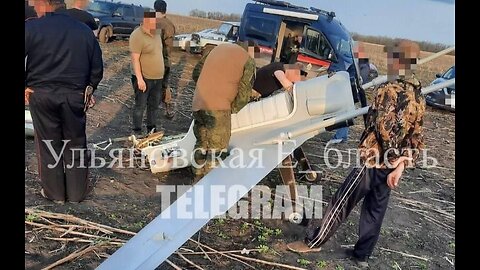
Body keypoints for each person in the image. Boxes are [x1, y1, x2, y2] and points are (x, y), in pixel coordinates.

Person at [287, 40, 425, 269]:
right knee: (375, 209)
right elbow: (417, 135)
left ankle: (314, 242)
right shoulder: (418, 94)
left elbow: (384, 127)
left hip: (373, 162)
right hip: (392, 166)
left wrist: (390, 158)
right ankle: (362, 255)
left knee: (341, 201)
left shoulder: (390, 89)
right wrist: (401, 164)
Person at [25, 0, 103, 203]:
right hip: (74, 96)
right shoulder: (84, 31)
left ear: (44, 3)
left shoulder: (32, 27)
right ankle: (76, 195)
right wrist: (89, 88)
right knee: (75, 144)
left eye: (36, 4)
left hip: (41, 95)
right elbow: (97, 67)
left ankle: (55, 195)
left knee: (48, 144)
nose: (33, 7)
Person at [191, 42, 256, 182]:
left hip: (198, 102)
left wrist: (207, 88)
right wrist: (234, 108)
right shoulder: (247, 59)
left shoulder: (217, 49)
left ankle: (196, 176)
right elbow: (245, 92)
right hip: (219, 108)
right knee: (217, 148)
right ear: (250, 51)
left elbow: (196, 72)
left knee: (202, 142)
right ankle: (210, 183)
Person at [329, 42, 377, 144]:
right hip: (355, 92)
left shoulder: (360, 65)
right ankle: (342, 136)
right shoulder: (363, 64)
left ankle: (340, 137)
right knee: (348, 112)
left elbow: (355, 79)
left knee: (346, 113)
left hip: (353, 91)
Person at [129, 11, 165, 134]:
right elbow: (135, 59)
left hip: (158, 78)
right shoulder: (137, 35)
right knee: (140, 105)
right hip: (144, 78)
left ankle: (151, 129)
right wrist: (139, 79)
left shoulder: (157, 33)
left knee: (154, 106)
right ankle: (137, 130)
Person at [154, 0, 176, 119]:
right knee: (165, 84)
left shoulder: (153, 23)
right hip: (167, 60)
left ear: (155, 9)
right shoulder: (170, 24)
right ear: (165, 10)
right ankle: (167, 108)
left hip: (155, 60)